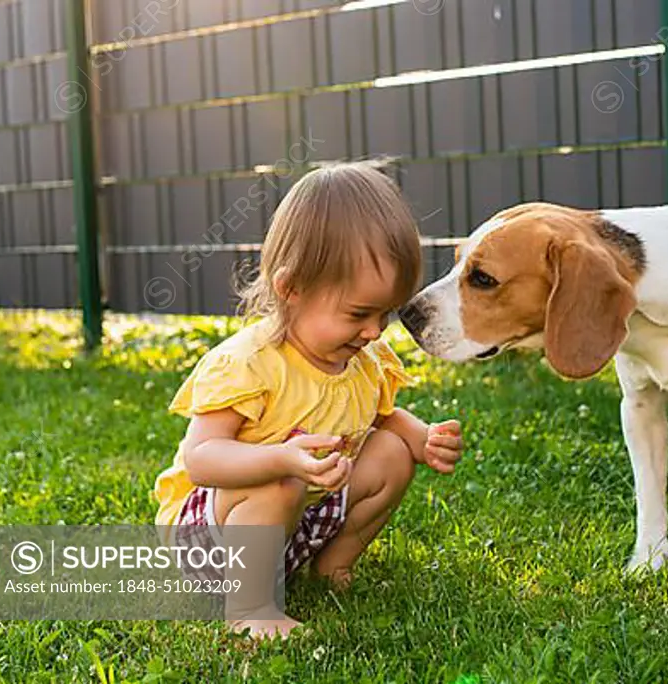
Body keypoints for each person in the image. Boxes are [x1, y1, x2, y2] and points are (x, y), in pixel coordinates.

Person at [151, 161, 463, 640]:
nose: (375, 330)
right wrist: (278, 458)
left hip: (294, 524)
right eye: (359, 313)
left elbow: (383, 418)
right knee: (280, 482)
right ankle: (251, 609)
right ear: (291, 289)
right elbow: (202, 460)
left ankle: (329, 567)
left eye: (385, 313)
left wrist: (421, 439)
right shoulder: (249, 364)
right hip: (211, 542)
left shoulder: (364, 358)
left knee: (392, 455)